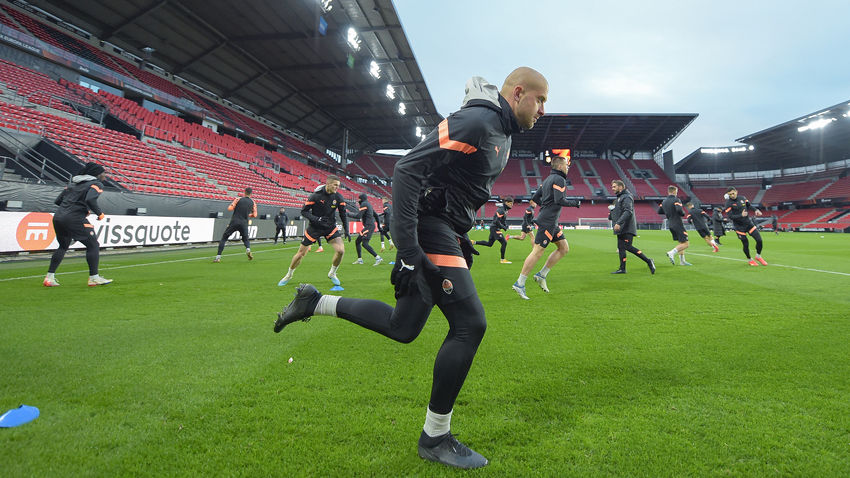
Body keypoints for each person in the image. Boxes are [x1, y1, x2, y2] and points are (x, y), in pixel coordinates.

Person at [273, 68, 548, 469]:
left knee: (403, 327)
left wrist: (461, 233)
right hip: (426, 227)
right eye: (540, 99)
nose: (543, 109)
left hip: (443, 228)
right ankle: (435, 437)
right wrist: (407, 248)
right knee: (470, 324)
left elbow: (453, 184)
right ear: (519, 93)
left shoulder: (502, 132)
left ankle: (315, 302)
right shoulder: (478, 121)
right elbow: (407, 169)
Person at [512, 154, 580, 299]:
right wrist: (575, 202)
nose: (568, 168)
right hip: (548, 221)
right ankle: (519, 283)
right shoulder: (559, 179)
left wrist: (546, 207)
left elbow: (535, 198)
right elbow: (560, 200)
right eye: (567, 165)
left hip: (550, 220)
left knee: (564, 248)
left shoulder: (548, 179)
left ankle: (541, 275)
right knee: (537, 252)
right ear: (560, 166)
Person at [43, 162, 112, 287]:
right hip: (74, 218)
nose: (105, 175)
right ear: (97, 174)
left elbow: (58, 201)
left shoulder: (72, 184)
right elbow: (90, 199)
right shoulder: (96, 184)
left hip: (59, 217)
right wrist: (99, 213)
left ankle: (49, 277)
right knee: (93, 245)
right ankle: (94, 277)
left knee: (63, 246)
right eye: (103, 173)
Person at [278, 176, 350, 286]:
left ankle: (332, 273)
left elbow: (343, 214)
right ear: (328, 184)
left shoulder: (338, 197)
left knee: (341, 251)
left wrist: (347, 230)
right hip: (315, 227)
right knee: (301, 254)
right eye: (335, 185)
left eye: (338, 185)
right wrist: (317, 219)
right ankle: (289, 275)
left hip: (330, 227)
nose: (337, 187)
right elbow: (304, 211)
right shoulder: (316, 196)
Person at [609, 180, 655, 274]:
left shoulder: (626, 197)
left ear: (620, 187)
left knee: (627, 246)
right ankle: (622, 268)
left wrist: (619, 223)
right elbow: (620, 212)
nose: (612, 188)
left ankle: (649, 261)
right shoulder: (620, 198)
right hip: (622, 227)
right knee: (621, 247)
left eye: (614, 186)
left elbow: (628, 211)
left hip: (626, 227)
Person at [723, 187, 767, 266]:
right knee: (746, 244)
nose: (732, 195)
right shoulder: (728, 203)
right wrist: (741, 215)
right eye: (730, 194)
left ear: (736, 192)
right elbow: (730, 216)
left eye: (733, 193)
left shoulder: (742, 198)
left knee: (759, 240)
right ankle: (750, 260)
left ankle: (758, 256)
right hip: (739, 227)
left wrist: (756, 210)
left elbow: (749, 206)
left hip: (749, 224)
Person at [214, 188, 258, 262]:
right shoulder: (253, 202)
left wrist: (234, 206)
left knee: (224, 238)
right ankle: (248, 249)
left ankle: (218, 257)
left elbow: (230, 208)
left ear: (244, 192)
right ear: (251, 194)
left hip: (235, 221)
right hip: (244, 223)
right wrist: (247, 215)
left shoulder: (238, 199)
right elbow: (255, 215)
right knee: (245, 239)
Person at [473, 197, 513, 263]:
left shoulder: (505, 210)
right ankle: (503, 260)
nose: (512, 205)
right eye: (511, 203)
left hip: (494, 228)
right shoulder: (501, 210)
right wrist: (503, 227)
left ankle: (474, 242)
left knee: (489, 244)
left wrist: (505, 225)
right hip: (495, 228)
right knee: (504, 242)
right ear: (506, 203)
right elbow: (496, 221)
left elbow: (502, 220)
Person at [658, 185, 690, 266]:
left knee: (681, 242)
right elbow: (679, 210)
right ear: (674, 192)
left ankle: (682, 261)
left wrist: (669, 212)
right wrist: (683, 213)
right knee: (686, 244)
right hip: (678, 223)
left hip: (671, 224)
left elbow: (659, 211)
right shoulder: (676, 199)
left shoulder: (664, 201)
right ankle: (671, 253)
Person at [348, 193, 383, 265]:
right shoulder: (369, 204)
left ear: (361, 199)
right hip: (369, 226)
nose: (358, 200)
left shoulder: (364, 204)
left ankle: (378, 257)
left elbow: (358, 216)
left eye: (359, 199)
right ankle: (360, 260)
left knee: (365, 244)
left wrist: (348, 214)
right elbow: (376, 215)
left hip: (368, 226)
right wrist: (379, 226)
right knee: (357, 241)